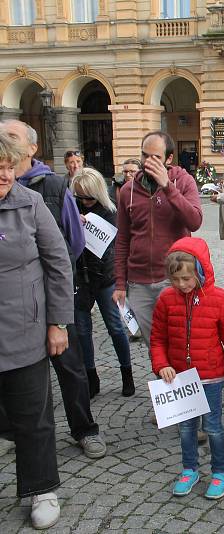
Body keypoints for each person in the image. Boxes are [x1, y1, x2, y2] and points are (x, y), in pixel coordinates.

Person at [0, 119, 106, 459]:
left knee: (70, 367)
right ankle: (16, 433)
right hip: (16, 306)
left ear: (30, 148)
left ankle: (84, 429)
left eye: (11, 136)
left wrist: (51, 283)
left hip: (58, 294)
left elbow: (74, 243)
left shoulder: (55, 185)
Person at [0, 132, 73, 529]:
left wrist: (57, 322)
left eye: (10, 167)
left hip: (26, 331)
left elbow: (59, 264)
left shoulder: (30, 204)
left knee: (33, 416)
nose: (5, 174)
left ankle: (41, 488)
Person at [149, 237, 224, 500]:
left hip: (211, 378)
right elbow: (157, 339)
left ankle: (220, 471)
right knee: (186, 429)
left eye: (187, 279)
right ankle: (189, 468)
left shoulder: (219, 299)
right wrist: (162, 365)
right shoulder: (166, 299)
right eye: (176, 279)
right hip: (180, 379)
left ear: (201, 272)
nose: (181, 285)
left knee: (213, 427)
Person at [112, 130, 203, 356]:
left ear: (169, 159)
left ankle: (185, 387)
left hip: (173, 280)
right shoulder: (127, 191)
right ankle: (165, 387)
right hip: (138, 282)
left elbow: (195, 221)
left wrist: (168, 188)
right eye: (144, 156)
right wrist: (120, 284)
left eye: (155, 157)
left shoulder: (183, 182)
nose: (147, 162)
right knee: (155, 347)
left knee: (180, 343)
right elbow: (122, 239)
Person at [71, 168, 134, 398]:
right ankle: (91, 377)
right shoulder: (73, 208)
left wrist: (88, 224)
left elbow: (111, 245)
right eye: (80, 197)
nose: (85, 201)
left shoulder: (110, 211)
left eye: (89, 197)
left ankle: (127, 373)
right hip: (80, 277)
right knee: (82, 330)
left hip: (105, 277)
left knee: (115, 327)